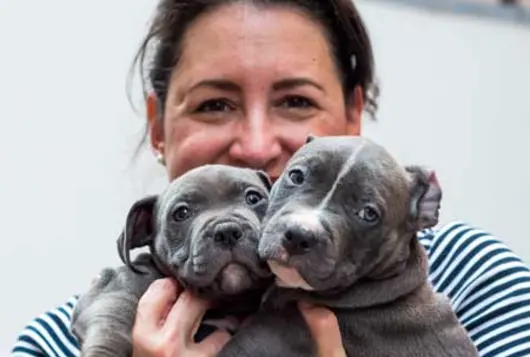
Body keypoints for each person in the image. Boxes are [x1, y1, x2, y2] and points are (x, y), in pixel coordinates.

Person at [10, 1, 530, 356]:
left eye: (296, 101)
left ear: (353, 117)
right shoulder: (63, 338)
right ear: (158, 126)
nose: (256, 146)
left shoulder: (469, 280)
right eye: (214, 104)